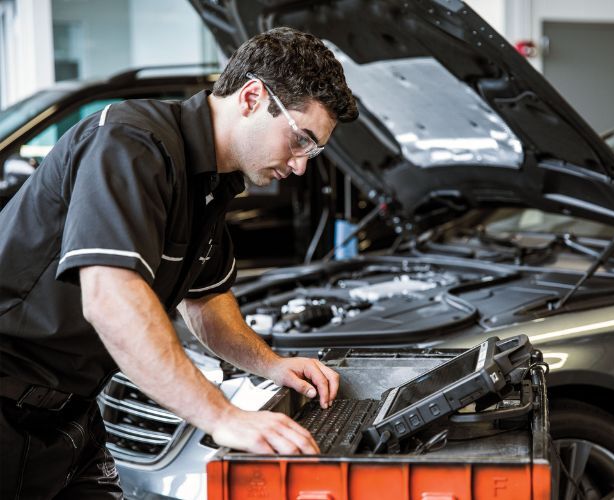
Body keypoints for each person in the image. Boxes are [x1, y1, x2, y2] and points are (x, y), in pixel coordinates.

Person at [0, 27, 358, 498]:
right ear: (252, 97)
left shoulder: (211, 183)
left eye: (313, 150)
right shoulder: (131, 143)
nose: (301, 165)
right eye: (300, 139)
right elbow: (111, 300)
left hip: (70, 419)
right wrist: (223, 417)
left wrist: (272, 365)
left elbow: (207, 303)